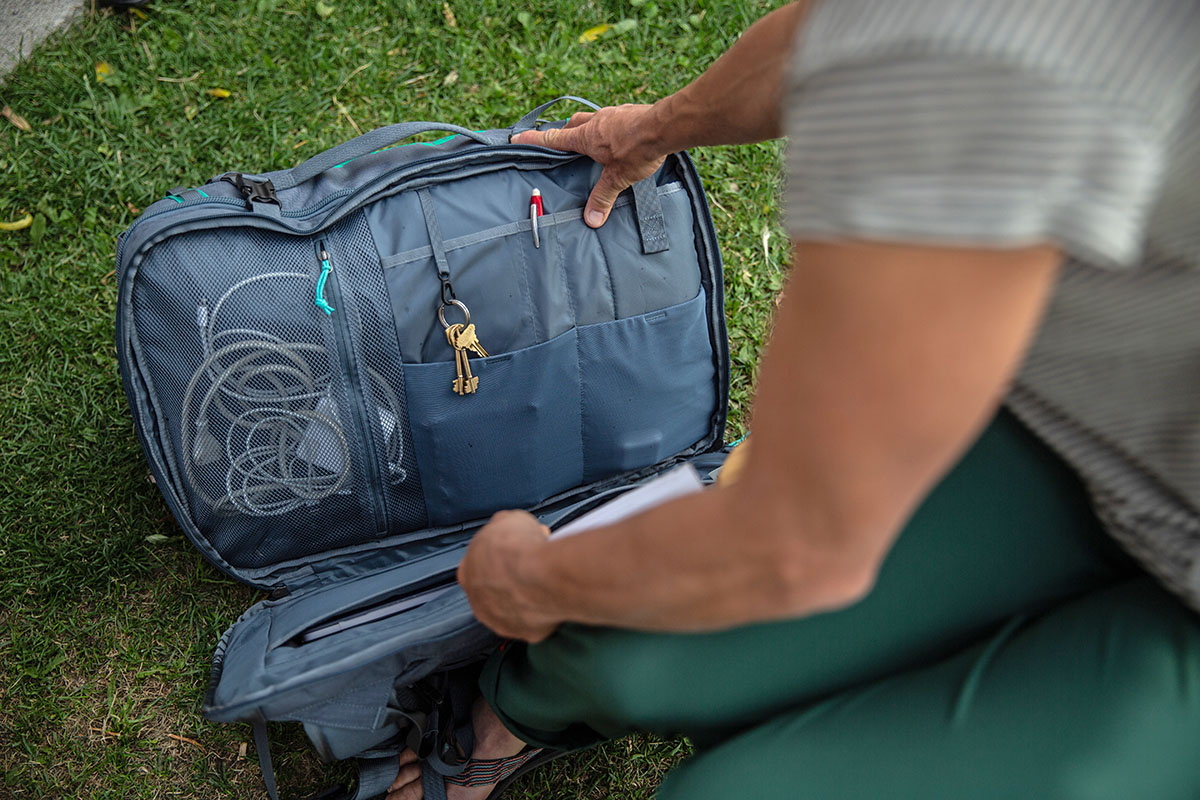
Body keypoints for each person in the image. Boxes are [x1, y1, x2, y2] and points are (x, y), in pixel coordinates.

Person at [389, 1, 1200, 798]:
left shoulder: (1018, 59)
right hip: (1085, 417)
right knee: (628, 647)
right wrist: (654, 129)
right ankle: (507, 718)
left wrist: (528, 581)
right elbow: (829, 32)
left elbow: (798, 546)